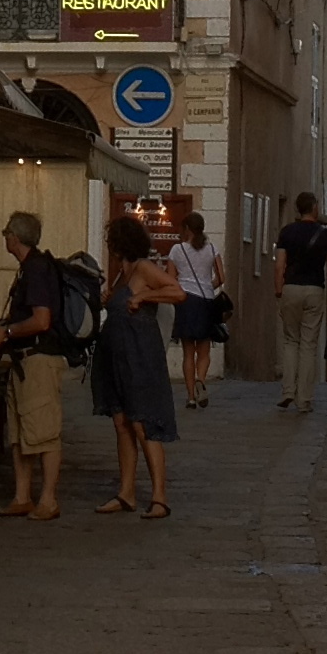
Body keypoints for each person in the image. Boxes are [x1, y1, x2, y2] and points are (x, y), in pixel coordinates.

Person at [92, 214, 185, 516]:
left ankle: (160, 497)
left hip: (139, 354)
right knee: (121, 423)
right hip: (116, 355)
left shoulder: (144, 268)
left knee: (142, 422)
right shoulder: (121, 273)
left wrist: (144, 295)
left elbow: (177, 292)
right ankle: (126, 492)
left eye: (111, 241)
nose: (109, 246)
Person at [0, 211, 69, 520]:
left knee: (44, 432)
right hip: (24, 360)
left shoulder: (36, 269)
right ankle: (22, 496)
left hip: (39, 360)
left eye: (5, 233)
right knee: (20, 431)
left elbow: (41, 320)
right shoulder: (29, 268)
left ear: (13, 238)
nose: (4, 237)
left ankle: (48, 500)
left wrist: (5, 332)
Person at [272, 192, 327, 414]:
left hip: (291, 288)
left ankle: (287, 392)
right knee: (309, 344)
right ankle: (304, 399)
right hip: (314, 289)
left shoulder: (287, 233)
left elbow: (279, 265)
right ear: (314, 208)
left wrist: (278, 289)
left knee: (291, 341)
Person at [169, 209, 225, 409]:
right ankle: (201, 379)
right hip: (206, 301)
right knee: (203, 350)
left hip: (185, 300)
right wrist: (208, 285)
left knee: (187, 352)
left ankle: (191, 396)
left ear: (186, 229)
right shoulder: (212, 249)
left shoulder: (177, 250)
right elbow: (221, 277)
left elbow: (171, 278)